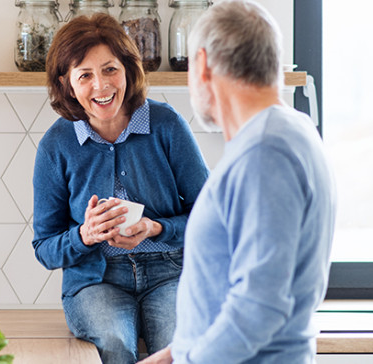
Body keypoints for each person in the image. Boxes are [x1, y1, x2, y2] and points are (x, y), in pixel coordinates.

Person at [139, 1, 337, 363]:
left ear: (201, 65)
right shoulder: (285, 135)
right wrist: (174, 354)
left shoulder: (266, 152)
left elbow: (258, 307)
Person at [31, 13, 210, 364]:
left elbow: (211, 218)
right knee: (114, 344)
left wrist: (156, 228)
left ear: (128, 69)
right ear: (67, 84)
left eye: (110, 69)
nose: (101, 86)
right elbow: (45, 247)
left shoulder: (166, 125)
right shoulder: (56, 145)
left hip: (170, 272)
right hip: (96, 280)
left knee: (176, 348)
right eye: (85, 75)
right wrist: (84, 234)